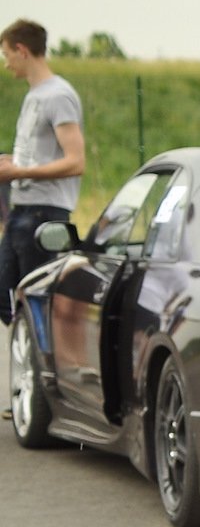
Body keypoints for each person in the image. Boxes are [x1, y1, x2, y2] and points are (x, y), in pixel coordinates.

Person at [0, 19, 86, 325]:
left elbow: (75, 161)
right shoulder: (33, 96)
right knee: (6, 296)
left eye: (7, 55)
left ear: (22, 50)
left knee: (37, 302)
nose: (6, 64)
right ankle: (24, 348)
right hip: (21, 210)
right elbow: (40, 156)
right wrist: (13, 162)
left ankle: (42, 354)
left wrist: (18, 171)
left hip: (44, 215)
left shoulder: (58, 96)